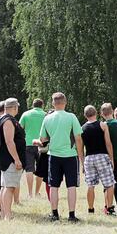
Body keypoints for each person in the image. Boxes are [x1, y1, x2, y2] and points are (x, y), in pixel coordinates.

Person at [35, 92, 84, 222]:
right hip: (70, 155)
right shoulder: (71, 117)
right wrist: (81, 157)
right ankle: (72, 215)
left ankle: (55, 214)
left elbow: (43, 139)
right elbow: (78, 138)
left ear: (53, 103)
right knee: (71, 186)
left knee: (54, 186)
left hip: (54, 156)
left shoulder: (47, 118)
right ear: (65, 102)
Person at [79, 105, 115, 214]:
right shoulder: (102, 125)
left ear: (85, 115)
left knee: (90, 185)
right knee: (109, 184)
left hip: (89, 158)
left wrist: (82, 163)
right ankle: (109, 208)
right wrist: (111, 158)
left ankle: (91, 209)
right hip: (102, 156)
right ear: (96, 113)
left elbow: (80, 148)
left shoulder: (82, 128)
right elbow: (108, 143)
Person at [0, 98, 25, 221]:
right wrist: (17, 159)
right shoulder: (8, 121)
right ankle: (7, 215)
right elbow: (9, 142)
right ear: (14, 107)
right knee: (9, 187)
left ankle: (4, 213)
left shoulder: (5, 119)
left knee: (6, 186)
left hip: (6, 159)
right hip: (10, 160)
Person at [19, 99, 46, 197]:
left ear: (32, 105)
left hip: (28, 144)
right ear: (42, 105)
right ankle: (37, 192)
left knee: (29, 168)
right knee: (40, 169)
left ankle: (30, 193)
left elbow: (20, 129)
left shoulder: (25, 114)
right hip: (41, 144)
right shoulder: (45, 115)